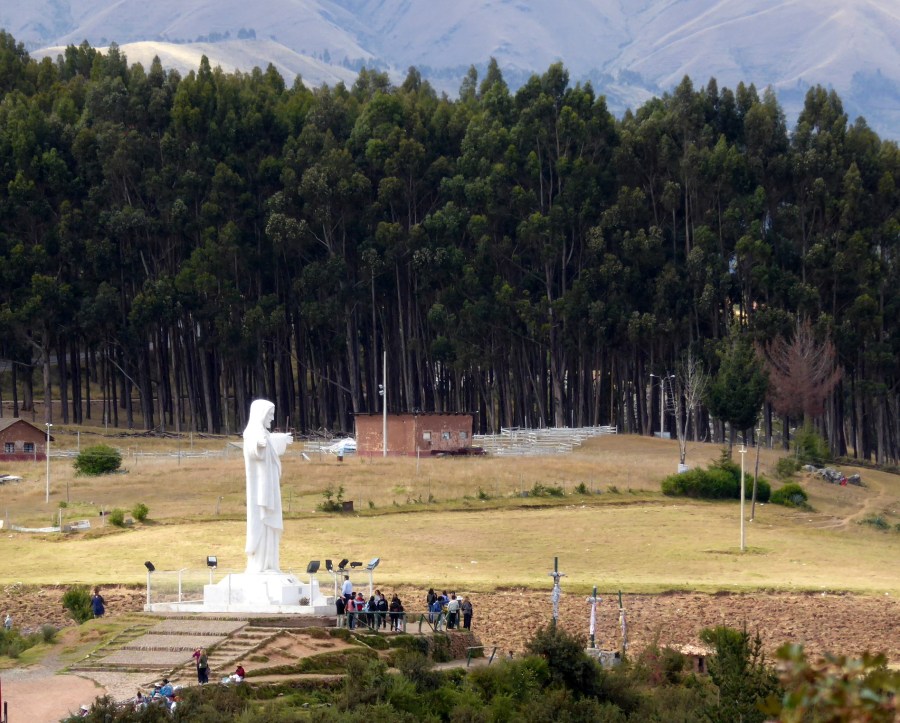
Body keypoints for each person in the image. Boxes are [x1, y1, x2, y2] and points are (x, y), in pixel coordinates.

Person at [243, 399, 293, 573]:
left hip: (270, 486)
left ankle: (270, 562)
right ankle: (259, 563)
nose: (272, 418)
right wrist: (258, 445)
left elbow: (270, 442)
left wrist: (282, 438)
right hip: (261, 489)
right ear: (260, 414)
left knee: (270, 526)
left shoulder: (264, 432)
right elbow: (252, 446)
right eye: (270, 414)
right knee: (262, 521)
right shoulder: (252, 432)